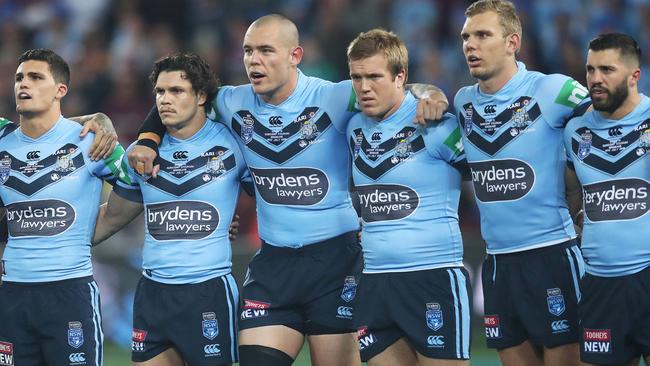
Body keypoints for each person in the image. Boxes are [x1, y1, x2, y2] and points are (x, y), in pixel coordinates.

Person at [128, 14, 449, 366]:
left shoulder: (335, 97)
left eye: (266, 50)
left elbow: (395, 88)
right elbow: (180, 98)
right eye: (248, 51)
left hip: (336, 263)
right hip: (273, 265)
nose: (254, 60)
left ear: (295, 55)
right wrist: (146, 137)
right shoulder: (232, 102)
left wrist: (428, 91)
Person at [454, 1, 591, 365]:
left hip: (552, 255)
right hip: (497, 265)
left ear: (513, 42)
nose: (470, 44)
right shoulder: (463, 102)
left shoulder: (553, 90)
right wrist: (427, 93)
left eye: (483, 35)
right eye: (466, 36)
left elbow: (616, 119)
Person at [91, 52, 251, 366]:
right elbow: (111, 217)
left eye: (176, 91)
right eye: (160, 92)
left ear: (202, 95)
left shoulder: (234, 146)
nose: (165, 100)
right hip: (152, 292)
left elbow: (269, 193)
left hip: (208, 291)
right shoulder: (139, 156)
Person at [345, 29, 471, 366]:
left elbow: (485, 177)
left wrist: (430, 92)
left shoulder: (435, 124)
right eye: (356, 77)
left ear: (400, 77)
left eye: (374, 76)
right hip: (373, 281)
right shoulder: (353, 127)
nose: (364, 87)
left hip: (431, 276)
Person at [0, 48, 129, 366]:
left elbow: (141, 185)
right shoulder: (2, 137)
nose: (23, 84)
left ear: (61, 90)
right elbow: (39, 133)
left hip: (70, 291)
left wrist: (99, 227)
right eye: (19, 78)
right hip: (13, 293)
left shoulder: (91, 141)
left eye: (35, 77)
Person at [563, 33, 650, 366]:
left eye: (607, 70)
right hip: (599, 283)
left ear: (633, 76)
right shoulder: (574, 131)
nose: (595, 79)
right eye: (590, 69)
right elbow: (572, 192)